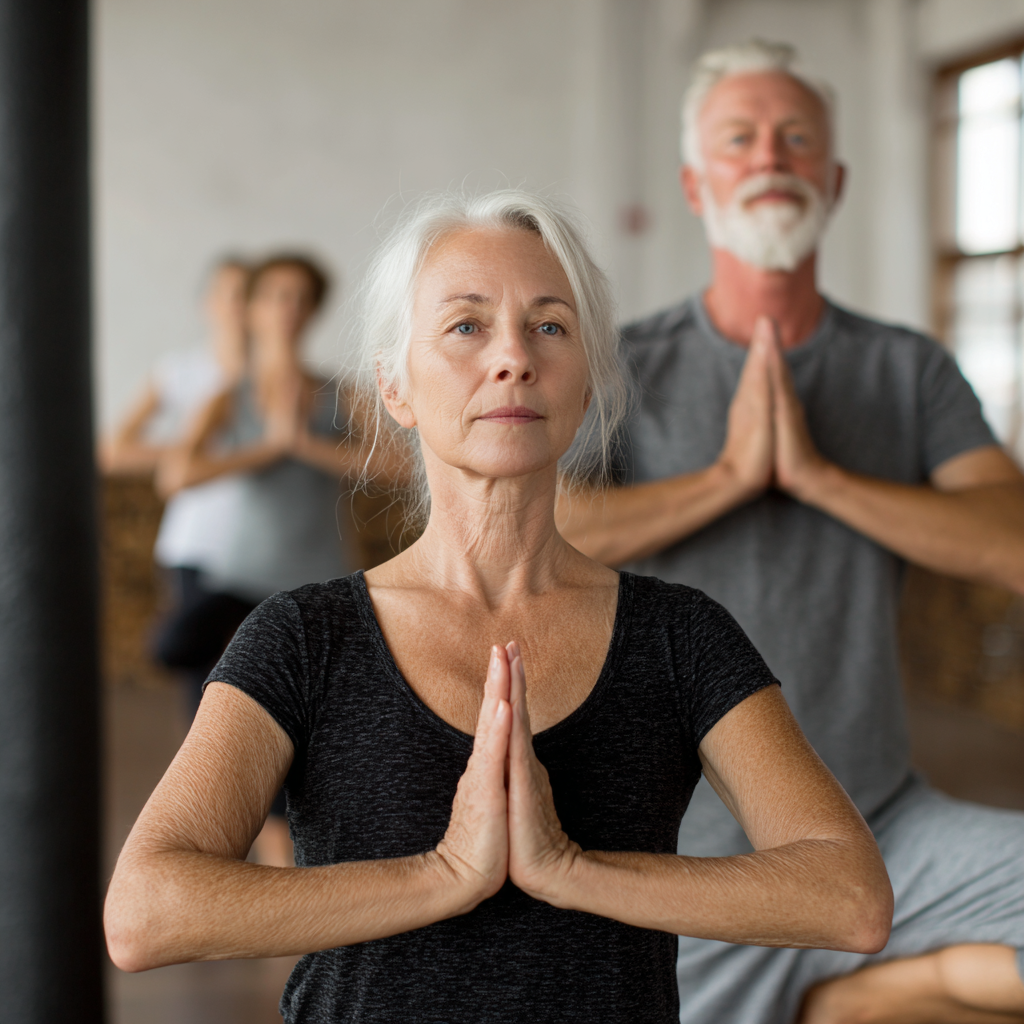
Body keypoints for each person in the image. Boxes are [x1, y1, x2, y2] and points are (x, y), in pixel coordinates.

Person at [103, 190, 892, 1023]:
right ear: (394, 387)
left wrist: (573, 869)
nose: (513, 357)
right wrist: (443, 874)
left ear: (585, 386)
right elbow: (146, 912)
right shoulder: (305, 637)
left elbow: (849, 896)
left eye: (550, 327)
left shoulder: (679, 634)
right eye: (466, 326)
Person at [558, 40, 1024, 1024]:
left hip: (885, 826)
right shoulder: (621, 367)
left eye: (795, 136)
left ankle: (857, 994)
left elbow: (1009, 541)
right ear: (695, 182)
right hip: (683, 862)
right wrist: (727, 478)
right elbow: (545, 534)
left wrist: (820, 478)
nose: (769, 155)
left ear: (834, 177)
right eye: (739, 138)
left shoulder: (907, 369)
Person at [154, 252, 394, 868]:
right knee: (222, 717)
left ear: (312, 311)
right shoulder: (228, 396)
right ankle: (223, 847)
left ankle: (286, 857)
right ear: (254, 310)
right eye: (275, 296)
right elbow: (177, 473)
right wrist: (265, 449)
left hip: (311, 582)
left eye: (299, 298)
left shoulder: (337, 393)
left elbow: (393, 466)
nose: (287, 309)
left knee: (307, 724)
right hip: (235, 577)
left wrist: (307, 447)